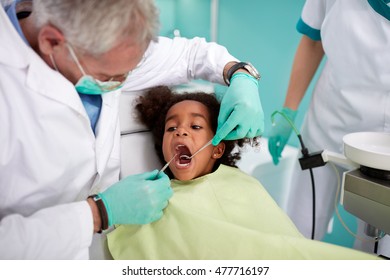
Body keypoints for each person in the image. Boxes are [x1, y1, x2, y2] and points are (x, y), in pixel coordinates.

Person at [0, 0, 264, 259]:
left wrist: (239, 73)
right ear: (51, 42)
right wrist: (98, 213)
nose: (124, 82)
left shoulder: (105, 43)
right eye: (110, 76)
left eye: (130, 70)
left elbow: (190, 55)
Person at [106, 86, 379, 260]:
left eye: (196, 126)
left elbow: (281, 246)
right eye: (171, 128)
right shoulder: (154, 199)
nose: (181, 131)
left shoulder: (242, 184)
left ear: (216, 149)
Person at [267, 0, 390, 256]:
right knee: (300, 232)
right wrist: (289, 109)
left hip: (385, 149)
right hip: (328, 125)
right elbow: (313, 41)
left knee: (375, 251)